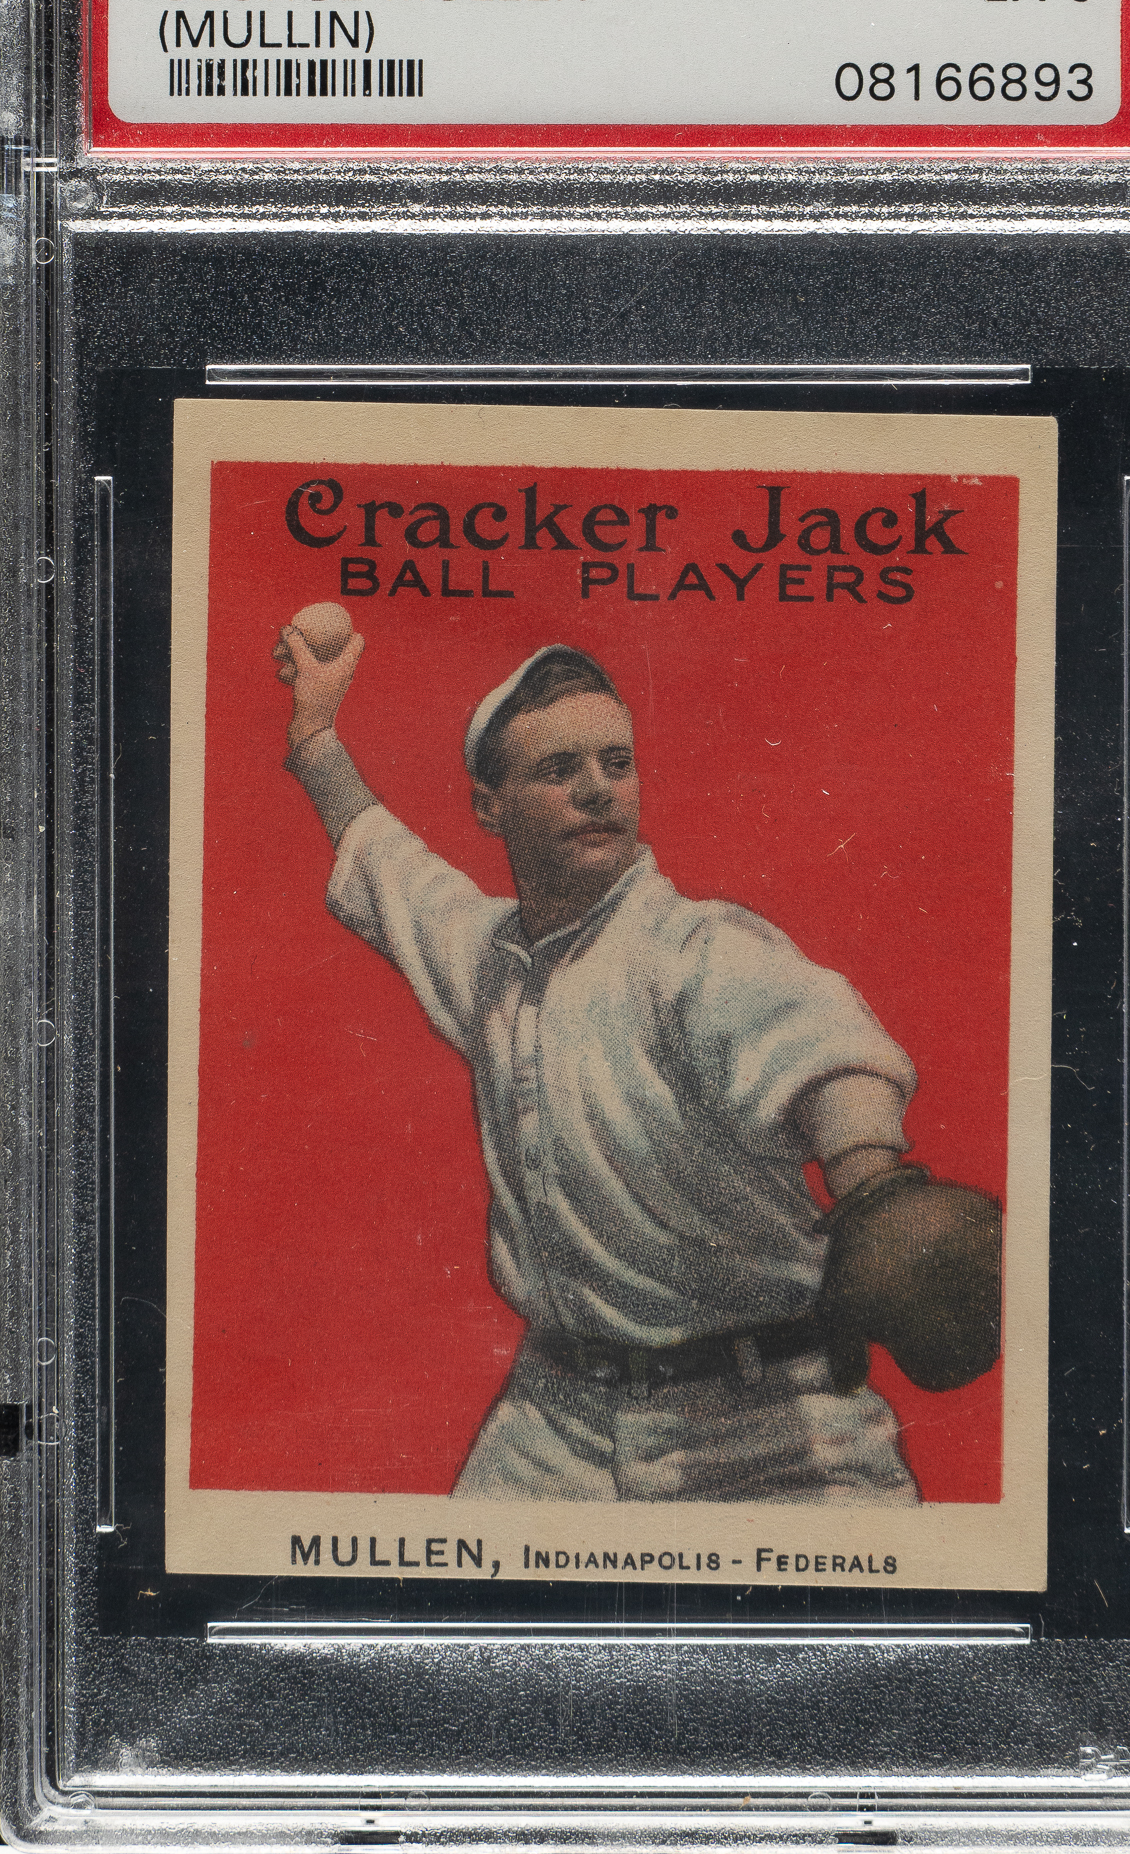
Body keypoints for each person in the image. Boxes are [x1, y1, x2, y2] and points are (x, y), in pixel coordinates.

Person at [274, 627, 1000, 1506]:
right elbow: (388, 863)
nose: (596, 789)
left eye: (615, 763)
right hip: (555, 1425)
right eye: (559, 769)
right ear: (488, 807)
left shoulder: (696, 948)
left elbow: (821, 1055)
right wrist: (315, 736)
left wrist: (870, 1181)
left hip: (768, 1427)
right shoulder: (486, 956)